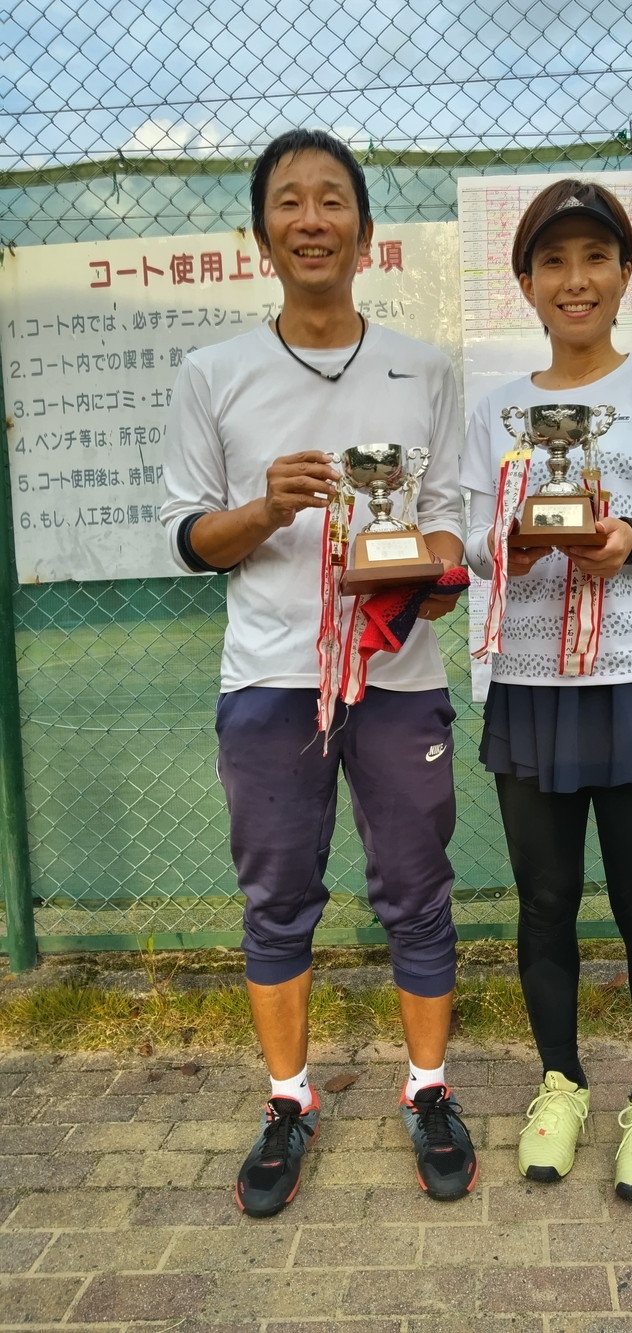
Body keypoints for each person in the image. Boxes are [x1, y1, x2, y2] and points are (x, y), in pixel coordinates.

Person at [160, 129, 477, 1216]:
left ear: (365, 231)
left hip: (396, 676)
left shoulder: (425, 369)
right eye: (289, 201)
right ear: (262, 235)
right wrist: (265, 508)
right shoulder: (213, 374)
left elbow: (446, 528)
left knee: (416, 890)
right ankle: (288, 1100)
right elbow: (188, 538)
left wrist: (436, 578)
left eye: (331, 199)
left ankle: (428, 1087)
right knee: (277, 899)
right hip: (270, 680)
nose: (311, 218)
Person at [461, 179, 632, 1203]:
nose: (574, 279)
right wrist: (507, 542)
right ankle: (561, 1084)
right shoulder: (494, 407)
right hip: (531, 685)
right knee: (543, 903)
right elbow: (476, 547)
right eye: (553, 261)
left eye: (593, 258)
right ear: (526, 282)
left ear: (623, 273)